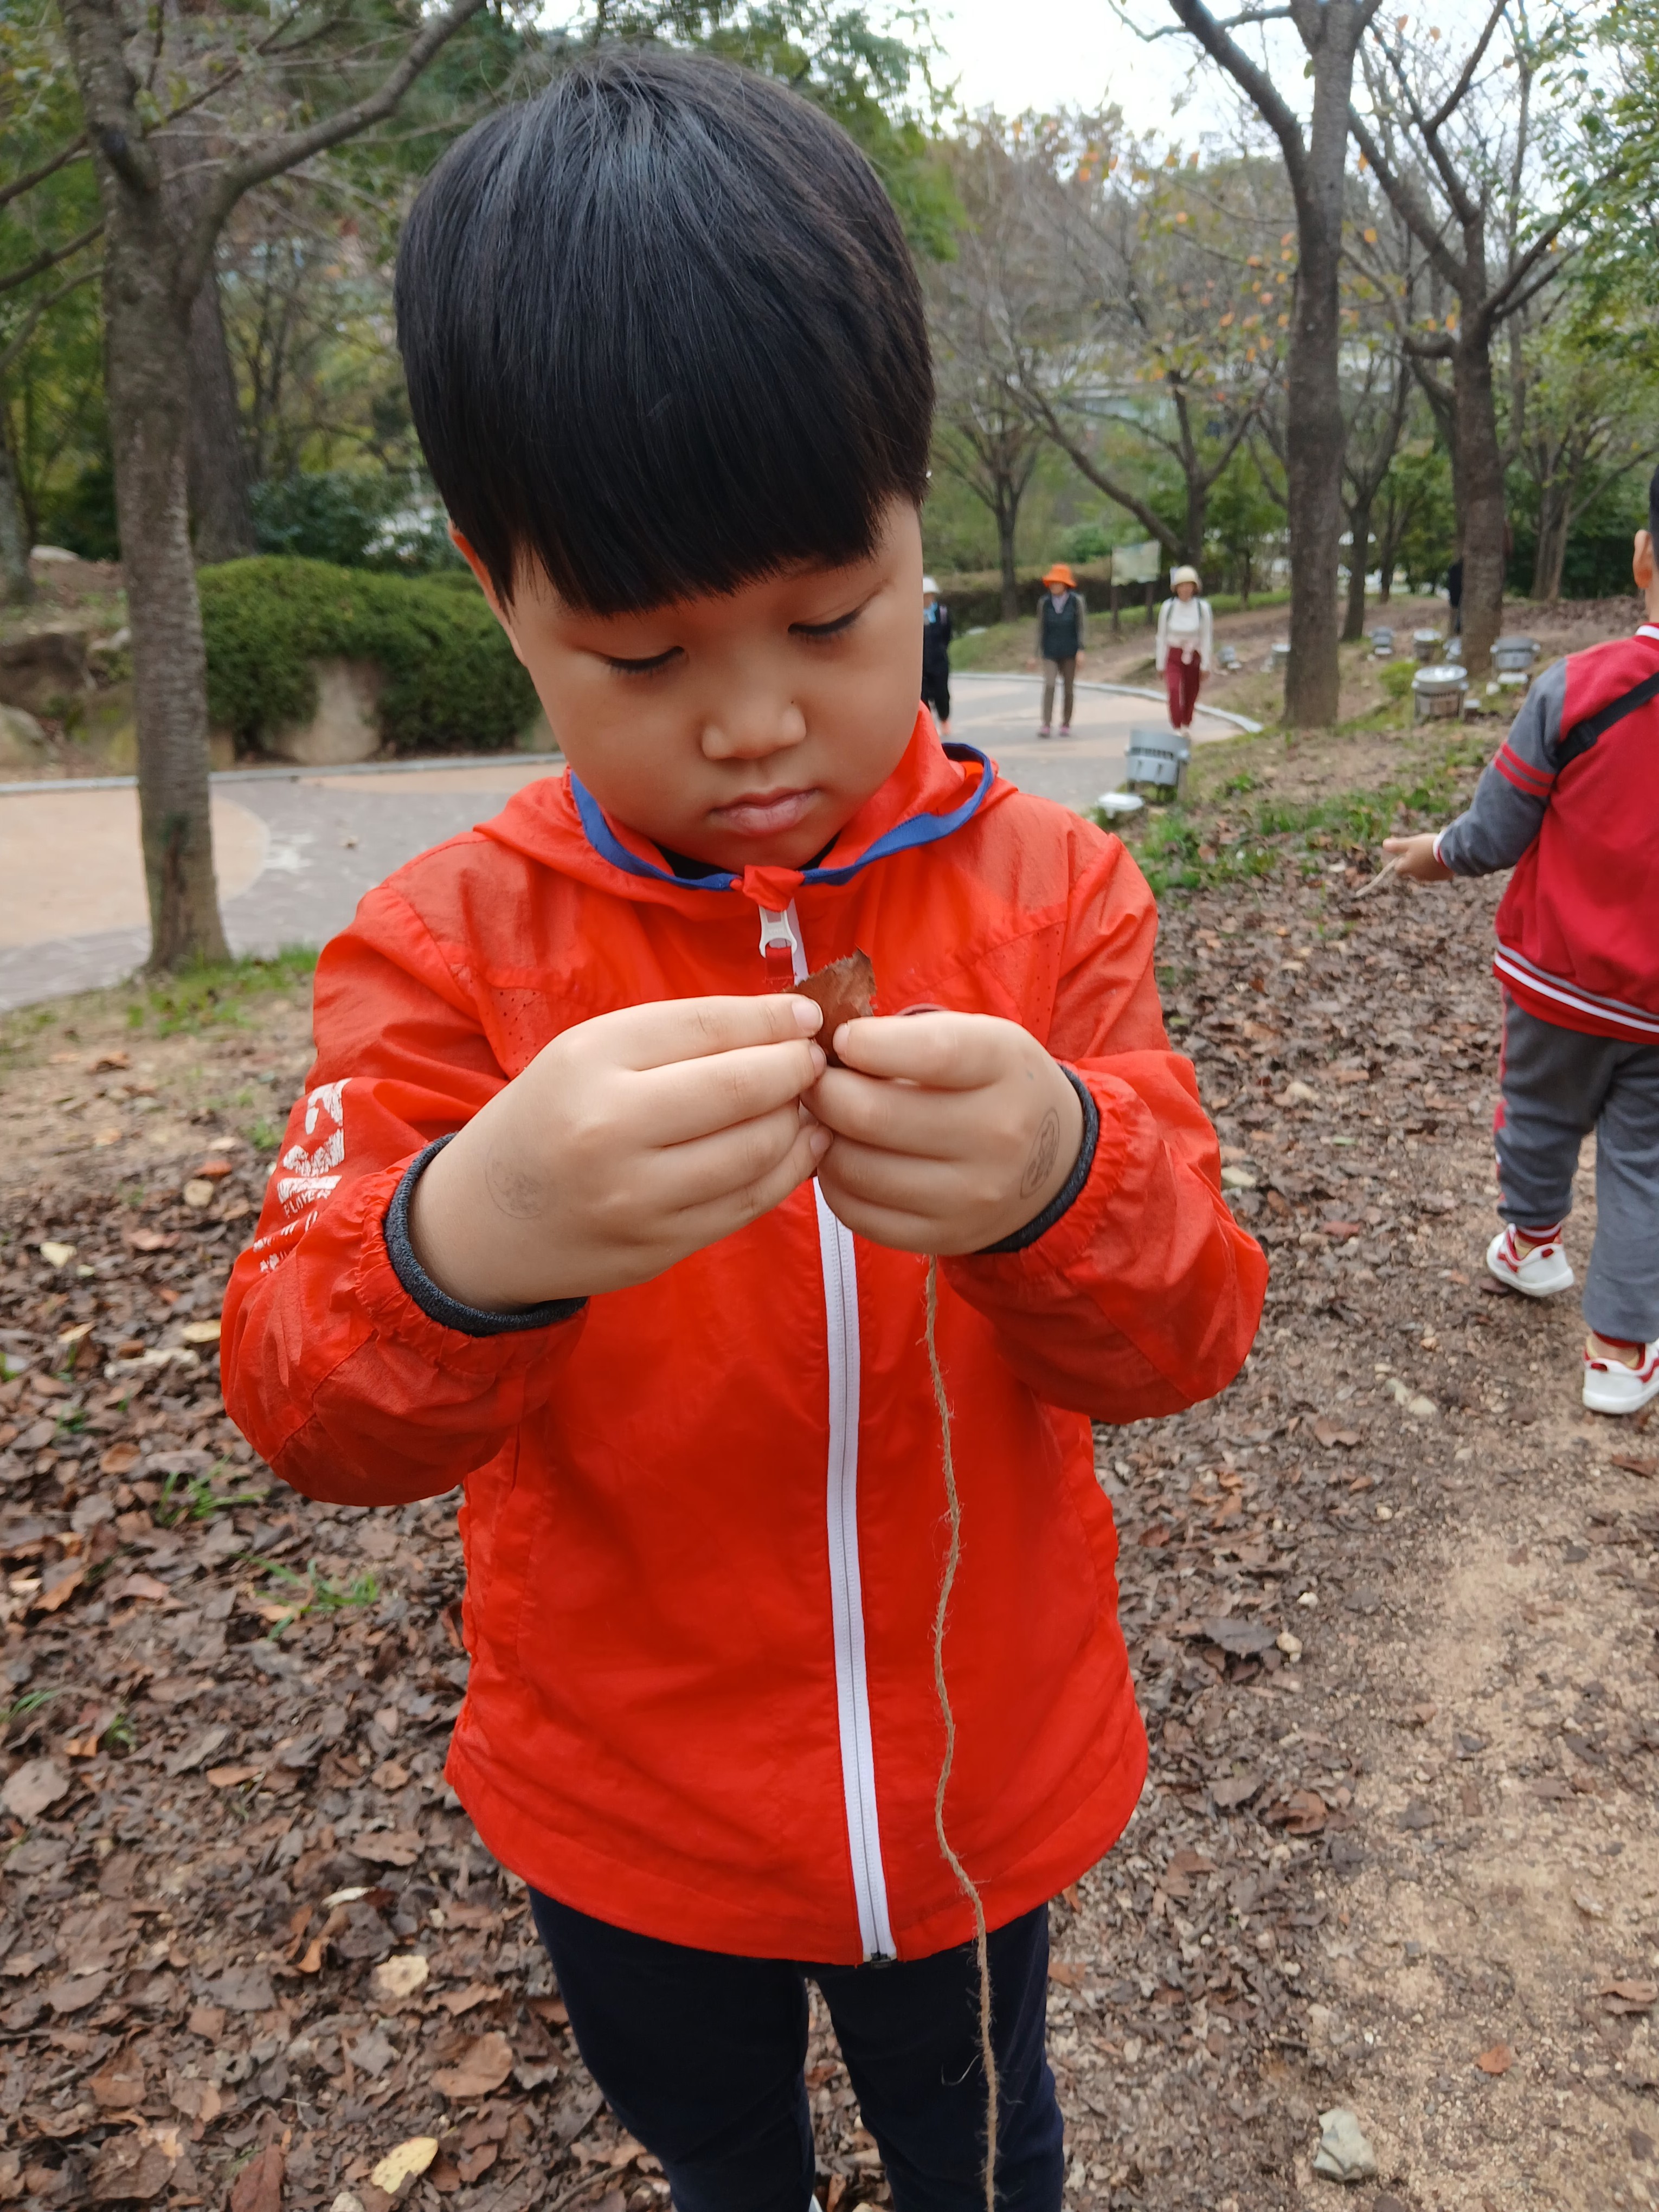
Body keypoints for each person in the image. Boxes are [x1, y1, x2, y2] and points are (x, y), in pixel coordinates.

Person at [221, 50, 1266, 2212]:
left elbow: (1187, 1336)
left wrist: (1064, 1176)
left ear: (914, 525)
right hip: (633, 1811)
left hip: (976, 1779)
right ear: (497, 588)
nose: (759, 718)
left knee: (983, 2144)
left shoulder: (1054, 897)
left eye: (829, 618)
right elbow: (304, 1402)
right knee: (718, 2155)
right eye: (641, 653)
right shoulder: (447, 953)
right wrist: (459, 1238)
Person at [1382, 470, 1659, 1417]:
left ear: (1642, 556)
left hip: (1556, 977)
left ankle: (1533, 1247)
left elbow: (1498, 830)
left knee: (1539, 1113)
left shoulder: (1578, 687)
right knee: (1644, 1166)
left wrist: (1434, 855)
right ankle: (1620, 1353)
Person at [1155, 564, 1213, 734]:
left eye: (1189, 585)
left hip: (1194, 654)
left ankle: (1187, 722)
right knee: (1174, 689)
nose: (1185, 589)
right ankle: (1177, 725)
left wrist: (1206, 664)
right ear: (1176, 588)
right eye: (1182, 585)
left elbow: (1206, 637)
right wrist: (1160, 664)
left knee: (1191, 691)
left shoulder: (1202, 608)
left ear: (1194, 587)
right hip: (1174, 653)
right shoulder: (1168, 608)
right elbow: (1161, 636)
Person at [1033, 561, 1086, 737]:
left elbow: (1081, 627)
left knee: (1069, 689)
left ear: (1065, 585)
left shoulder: (1076, 602)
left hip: (1070, 650)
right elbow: (1040, 629)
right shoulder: (1044, 603)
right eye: (1052, 583)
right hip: (1050, 651)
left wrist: (1081, 650)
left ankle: (1066, 723)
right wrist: (1035, 654)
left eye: (1057, 583)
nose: (1054, 586)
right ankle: (1046, 724)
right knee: (1049, 685)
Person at [921, 573, 951, 734]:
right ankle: (929, 726)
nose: (927, 599)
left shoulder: (942, 612)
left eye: (929, 595)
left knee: (942, 693)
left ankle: (944, 720)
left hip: (939, 661)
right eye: (924, 595)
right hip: (921, 664)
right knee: (923, 695)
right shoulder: (912, 613)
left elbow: (947, 635)